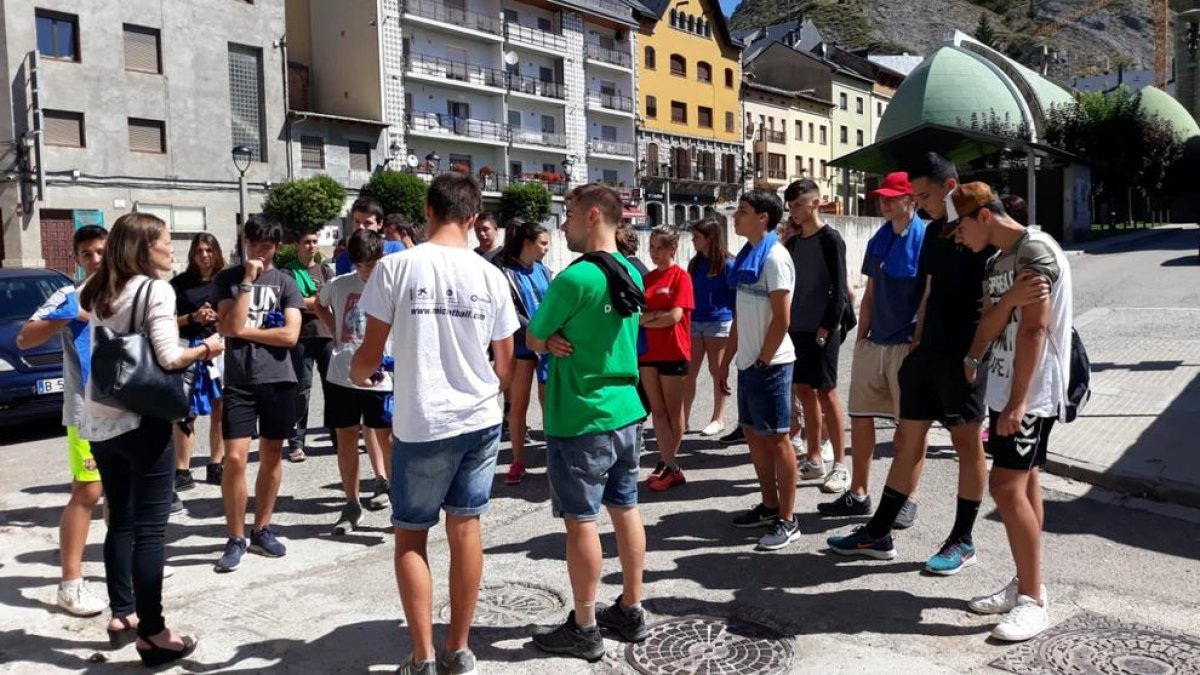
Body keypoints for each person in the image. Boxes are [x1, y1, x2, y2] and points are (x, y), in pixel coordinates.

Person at [351, 173, 517, 675]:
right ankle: (459, 650)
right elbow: (505, 362)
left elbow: (369, 354)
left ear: (427, 210)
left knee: (410, 536)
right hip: (480, 417)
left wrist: (362, 373)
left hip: (423, 420)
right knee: (466, 528)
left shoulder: (395, 267)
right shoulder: (492, 275)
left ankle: (422, 657)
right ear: (472, 218)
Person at [826, 155, 1002, 572]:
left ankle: (962, 539)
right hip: (926, 354)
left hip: (965, 358)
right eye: (917, 196)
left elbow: (998, 300)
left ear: (951, 186)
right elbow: (929, 293)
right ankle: (878, 531)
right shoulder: (936, 233)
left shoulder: (986, 228)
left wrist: (976, 354)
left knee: (966, 445)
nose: (921, 204)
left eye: (925, 195)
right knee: (907, 440)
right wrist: (919, 345)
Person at [78, 212, 223, 666]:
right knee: (150, 531)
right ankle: (154, 633)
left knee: (119, 519)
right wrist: (207, 348)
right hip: (143, 422)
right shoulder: (154, 289)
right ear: (144, 248)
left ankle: (123, 614)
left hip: (100, 419)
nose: (172, 248)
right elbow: (169, 357)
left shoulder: (96, 287)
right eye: (165, 241)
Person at [527, 183, 648, 661]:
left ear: (593, 215)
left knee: (581, 522)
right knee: (627, 509)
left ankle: (584, 624)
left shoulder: (574, 279)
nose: (563, 224)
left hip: (582, 412)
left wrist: (552, 336)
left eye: (570, 214)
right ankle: (632, 608)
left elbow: (535, 337)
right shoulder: (630, 271)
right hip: (627, 408)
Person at [956, 182, 1071, 642]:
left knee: (1004, 486)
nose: (958, 236)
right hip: (1004, 387)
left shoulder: (1036, 249)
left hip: (1032, 390)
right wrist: (975, 353)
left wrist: (1020, 401)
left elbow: (1035, 330)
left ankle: (1033, 600)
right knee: (1025, 484)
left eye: (961, 225)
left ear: (984, 216)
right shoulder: (996, 263)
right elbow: (989, 321)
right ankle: (1027, 582)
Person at [819, 171, 925, 525]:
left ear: (910, 199)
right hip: (874, 343)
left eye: (892, 197)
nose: (884, 202)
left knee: (908, 429)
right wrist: (862, 338)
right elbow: (870, 291)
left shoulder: (926, 237)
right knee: (861, 417)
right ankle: (859, 493)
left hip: (907, 345)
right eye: (882, 197)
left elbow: (928, 296)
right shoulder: (880, 237)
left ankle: (908, 498)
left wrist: (918, 343)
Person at [17, 225, 108, 617]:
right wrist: (70, 314)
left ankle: (125, 568)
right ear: (77, 259)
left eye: (102, 251)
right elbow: (25, 338)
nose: (96, 260)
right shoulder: (69, 294)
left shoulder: (132, 289)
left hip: (131, 407)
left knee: (124, 492)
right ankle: (70, 583)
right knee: (88, 492)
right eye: (87, 253)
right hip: (85, 408)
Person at [213, 215, 304, 572]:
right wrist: (248, 282)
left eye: (266, 246)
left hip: (279, 378)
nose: (259, 252)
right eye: (253, 245)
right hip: (240, 379)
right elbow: (228, 325)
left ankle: (261, 528)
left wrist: (244, 331)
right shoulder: (227, 280)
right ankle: (235, 537)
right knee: (234, 459)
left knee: (272, 456)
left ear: (276, 247)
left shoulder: (286, 283)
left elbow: (290, 336)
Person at [718, 190, 800, 551]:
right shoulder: (748, 257)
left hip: (772, 364)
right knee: (753, 435)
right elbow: (740, 317)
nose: (736, 217)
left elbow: (782, 319)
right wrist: (726, 362)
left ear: (764, 218)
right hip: (749, 364)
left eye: (744, 212)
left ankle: (789, 518)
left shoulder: (776, 258)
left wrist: (763, 360)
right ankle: (770, 505)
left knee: (778, 439)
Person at [314, 229, 392, 534]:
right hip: (341, 374)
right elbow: (317, 303)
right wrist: (333, 328)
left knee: (388, 440)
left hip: (381, 377)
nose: (364, 271)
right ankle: (351, 503)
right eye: (359, 265)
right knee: (346, 440)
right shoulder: (339, 284)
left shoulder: (389, 285)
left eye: (370, 265)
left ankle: (395, 496)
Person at [782, 179, 850, 494]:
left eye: (798, 204)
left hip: (823, 328)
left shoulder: (831, 239)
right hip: (796, 328)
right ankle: (813, 457)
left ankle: (840, 464)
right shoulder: (793, 243)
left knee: (828, 393)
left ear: (815, 202)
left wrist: (828, 325)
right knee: (803, 392)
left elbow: (839, 287)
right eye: (791, 205)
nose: (793, 211)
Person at [497, 219, 553, 486]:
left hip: (547, 346)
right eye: (543, 244)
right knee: (518, 407)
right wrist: (537, 332)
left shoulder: (544, 270)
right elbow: (511, 312)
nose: (546, 249)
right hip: (521, 345)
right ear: (528, 243)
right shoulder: (505, 272)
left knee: (549, 404)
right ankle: (517, 462)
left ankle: (554, 458)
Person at [168, 233, 226, 491]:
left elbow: (238, 315)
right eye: (200, 250)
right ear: (192, 253)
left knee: (221, 408)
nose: (204, 255)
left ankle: (216, 464)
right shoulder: (178, 284)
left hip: (219, 349)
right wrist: (193, 317)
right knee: (185, 411)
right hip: (188, 349)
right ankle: (182, 469)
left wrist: (217, 317)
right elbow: (166, 321)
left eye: (209, 250)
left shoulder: (226, 281)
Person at [640, 227, 695, 492]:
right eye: (651, 247)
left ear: (672, 248)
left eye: (659, 247)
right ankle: (669, 464)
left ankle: (669, 463)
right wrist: (654, 316)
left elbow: (674, 316)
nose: (654, 252)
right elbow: (638, 317)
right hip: (649, 352)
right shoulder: (648, 279)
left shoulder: (681, 277)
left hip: (674, 350)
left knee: (674, 412)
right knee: (657, 412)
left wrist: (649, 318)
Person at [283, 231, 335, 463]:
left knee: (332, 388)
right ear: (297, 245)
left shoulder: (325, 270)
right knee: (301, 390)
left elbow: (332, 299)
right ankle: (296, 443)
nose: (312, 246)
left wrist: (308, 303)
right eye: (306, 242)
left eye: (315, 242)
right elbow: (289, 300)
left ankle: (337, 437)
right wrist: (315, 302)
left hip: (326, 335)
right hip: (301, 337)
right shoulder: (288, 272)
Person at [683, 217, 735, 438]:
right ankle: (682, 420)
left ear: (710, 238)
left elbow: (734, 296)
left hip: (719, 322)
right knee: (688, 373)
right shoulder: (694, 263)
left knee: (717, 371)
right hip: (695, 321)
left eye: (697, 237)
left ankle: (718, 418)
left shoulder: (727, 263)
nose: (693, 240)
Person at [335, 198, 406, 275]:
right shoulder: (344, 258)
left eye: (368, 223)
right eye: (357, 221)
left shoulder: (395, 250)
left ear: (379, 224)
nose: (361, 227)